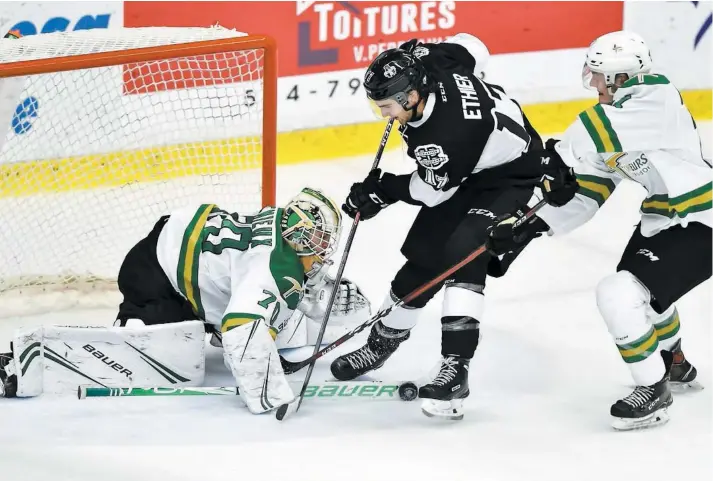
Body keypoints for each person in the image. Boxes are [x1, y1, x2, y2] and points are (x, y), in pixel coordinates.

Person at [486, 31, 710, 430]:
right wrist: (528, 226)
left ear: (622, 77)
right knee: (648, 298)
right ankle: (674, 362)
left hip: (703, 220)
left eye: (599, 76)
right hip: (663, 218)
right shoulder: (617, 121)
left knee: (619, 293)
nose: (593, 83)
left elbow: (590, 133)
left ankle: (652, 390)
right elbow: (587, 192)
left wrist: (552, 156)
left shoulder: (655, 97)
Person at [1, 187, 371, 414]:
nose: (326, 248)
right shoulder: (272, 270)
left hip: (181, 242)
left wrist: (311, 297)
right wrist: (268, 394)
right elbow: (241, 330)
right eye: (321, 239)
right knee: (170, 363)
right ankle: (29, 362)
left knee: (268, 319)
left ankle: (199, 321)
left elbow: (275, 279)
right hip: (156, 276)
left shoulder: (281, 222)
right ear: (300, 236)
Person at [329, 33, 544, 420]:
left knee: (464, 252)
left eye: (389, 106)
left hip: (509, 177)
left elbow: (431, 192)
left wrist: (384, 189)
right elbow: (474, 46)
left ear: (412, 96)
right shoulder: (429, 63)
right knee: (424, 258)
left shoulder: (447, 135)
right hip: (471, 167)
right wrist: (412, 52)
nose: (385, 116)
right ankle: (381, 344)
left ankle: (455, 369)